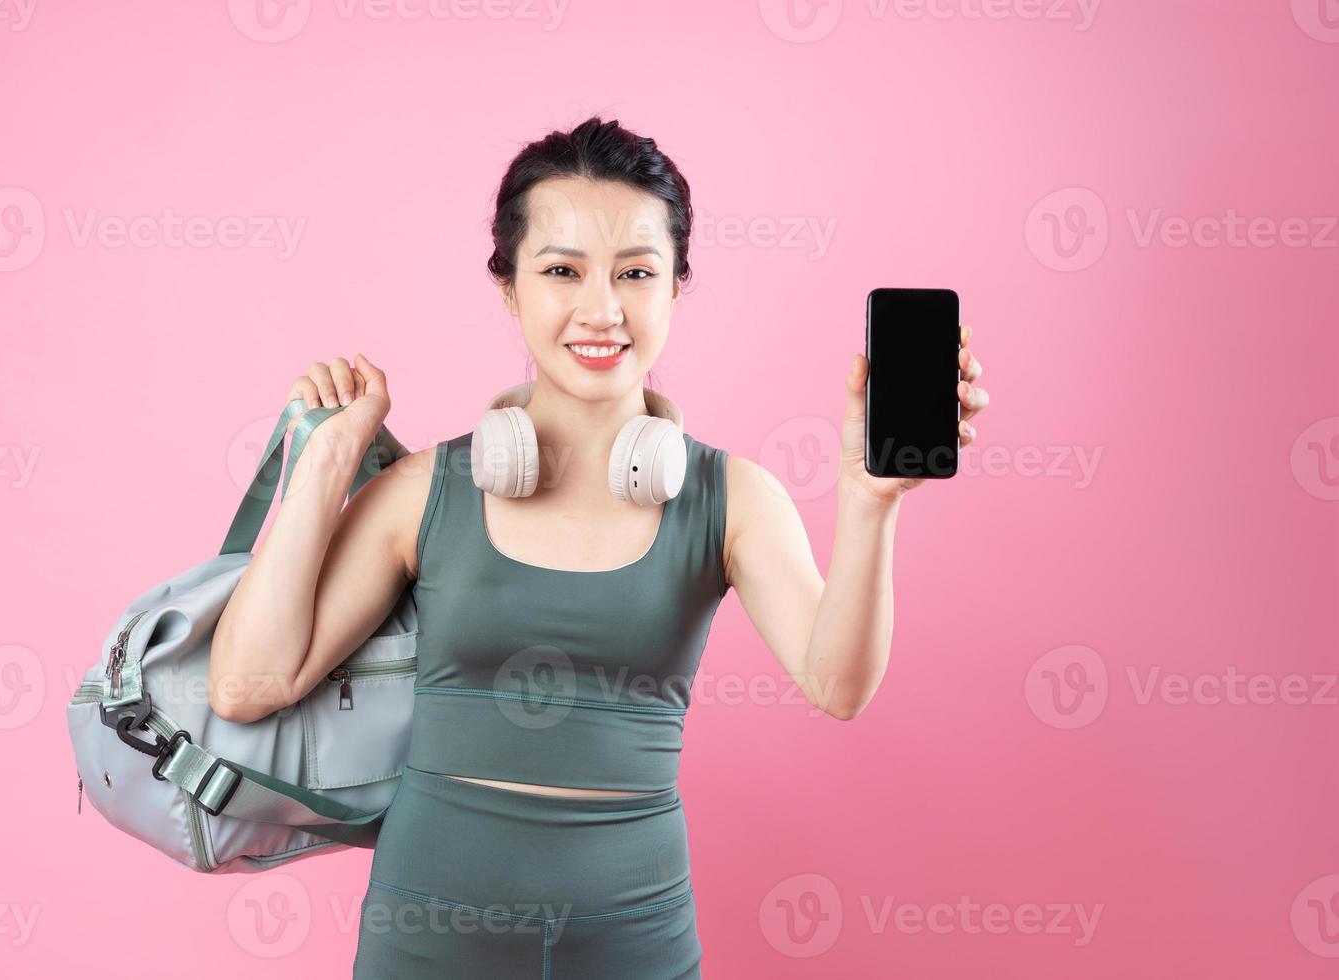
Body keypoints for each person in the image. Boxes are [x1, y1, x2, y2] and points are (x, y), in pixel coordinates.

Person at [208, 116, 989, 979]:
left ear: (676, 288)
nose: (602, 309)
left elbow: (838, 688)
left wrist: (869, 503)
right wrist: (328, 464)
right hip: (426, 939)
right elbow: (247, 685)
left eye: (637, 274)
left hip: (637, 941)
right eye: (561, 271)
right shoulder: (425, 490)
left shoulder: (734, 500)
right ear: (509, 288)